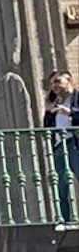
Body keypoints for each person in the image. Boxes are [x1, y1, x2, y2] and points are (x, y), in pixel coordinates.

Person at [43, 69, 79, 221]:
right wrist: (48, 112)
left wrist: (70, 113)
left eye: (58, 81)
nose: (54, 86)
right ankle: (65, 220)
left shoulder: (77, 98)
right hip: (59, 146)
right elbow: (47, 128)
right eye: (52, 84)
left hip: (74, 143)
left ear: (69, 81)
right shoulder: (56, 103)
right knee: (60, 187)